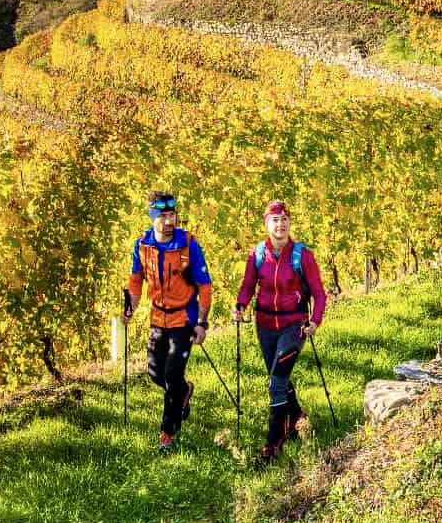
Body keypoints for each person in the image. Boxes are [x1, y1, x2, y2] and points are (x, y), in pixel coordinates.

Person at [233, 200, 326, 463]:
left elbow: (319, 294)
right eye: (275, 219)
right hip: (264, 326)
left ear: (289, 223)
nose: (280, 224)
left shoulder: (302, 255)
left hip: (293, 326)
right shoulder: (257, 254)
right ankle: (297, 417)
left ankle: (274, 440)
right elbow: (248, 286)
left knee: (276, 382)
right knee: (279, 377)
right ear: (266, 224)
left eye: (285, 219)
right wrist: (240, 306)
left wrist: (315, 321)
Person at [124, 191, 213, 453]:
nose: (168, 221)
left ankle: (168, 433)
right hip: (157, 316)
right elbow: (135, 280)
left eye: (171, 215)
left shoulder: (188, 245)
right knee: (155, 374)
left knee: (172, 375)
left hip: (184, 316)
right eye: (162, 216)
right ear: (152, 217)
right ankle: (184, 392)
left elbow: (205, 285)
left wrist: (201, 323)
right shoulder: (142, 245)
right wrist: (130, 308)